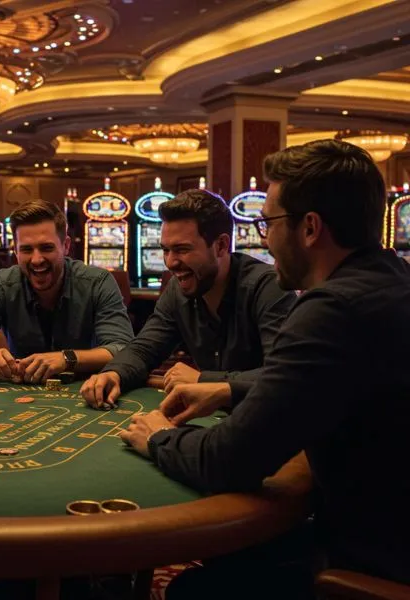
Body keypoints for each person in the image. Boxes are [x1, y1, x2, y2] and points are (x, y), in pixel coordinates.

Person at [123, 139, 410, 597]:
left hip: (371, 558)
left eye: (268, 222)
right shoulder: (390, 279)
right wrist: (227, 391)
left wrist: (159, 435)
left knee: (191, 592)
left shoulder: (331, 310)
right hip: (379, 524)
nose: (264, 237)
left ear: (310, 228)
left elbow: (229, 460)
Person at [81, 188, 295, 409]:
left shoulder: (268, 287)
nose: (171, 263)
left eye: (182, 249)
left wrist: (203, 380)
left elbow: (284, 376)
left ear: (221, 245)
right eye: (165, 250)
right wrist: (114, 373)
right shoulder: (178, 289)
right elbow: (144, 348)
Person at [0, 199, 133, 383]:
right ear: (16, 251)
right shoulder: (0, 284)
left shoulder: (98, 282)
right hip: (21, 393)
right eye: (27, 249)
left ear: (66, 246)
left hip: (87, 389)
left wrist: (65, 359)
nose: (37, 259)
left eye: (46, 248)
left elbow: (122, 349)